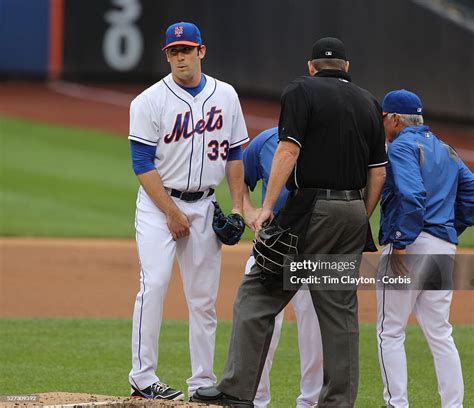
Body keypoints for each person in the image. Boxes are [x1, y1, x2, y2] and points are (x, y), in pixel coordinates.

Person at [192, 37, 387, 407]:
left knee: (258, 292)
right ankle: (338, 402)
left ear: (311, 67)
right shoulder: (367, 101)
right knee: (340, 311)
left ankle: (235, 391)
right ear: (346, 68)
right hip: (352, 214)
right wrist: (361, 212)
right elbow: (378, 172)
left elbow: (289, 148)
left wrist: (266, 207)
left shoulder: (301, 89)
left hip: (310, 210)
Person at [127, 22, 248, 400]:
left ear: (202, 51)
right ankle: (143, 377)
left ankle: (201, 384)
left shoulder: (226, 95)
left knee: (203, 300)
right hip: (158, 207)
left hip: (205, 206)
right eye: (173, 51)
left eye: (186, 49)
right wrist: (171, 213)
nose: (180, 57)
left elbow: (235, 154)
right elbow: (142, 163)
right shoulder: (148, 101)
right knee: (156, 284)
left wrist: (239, 205)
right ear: (167, 55)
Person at [376, 89, 473, 408]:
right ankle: (454, 405)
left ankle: (397, 404)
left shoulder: (401, 146)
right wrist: (448, 230)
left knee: (390, 330)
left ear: (393, 119)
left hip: (411, 245)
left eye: (383, 118)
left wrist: (402, 242)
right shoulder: (446, 149)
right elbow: (470, 194)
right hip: (443, 246)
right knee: (440, 333)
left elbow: (413, 196)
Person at [243, 127, 323, 408]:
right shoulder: (264, 141)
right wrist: (248, 209)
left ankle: (310, 402)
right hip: (272, 247)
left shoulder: (326, 140)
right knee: (261, 324)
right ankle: (256, 398)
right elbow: (240, 178)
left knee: (314, 327)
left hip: (314, 246)